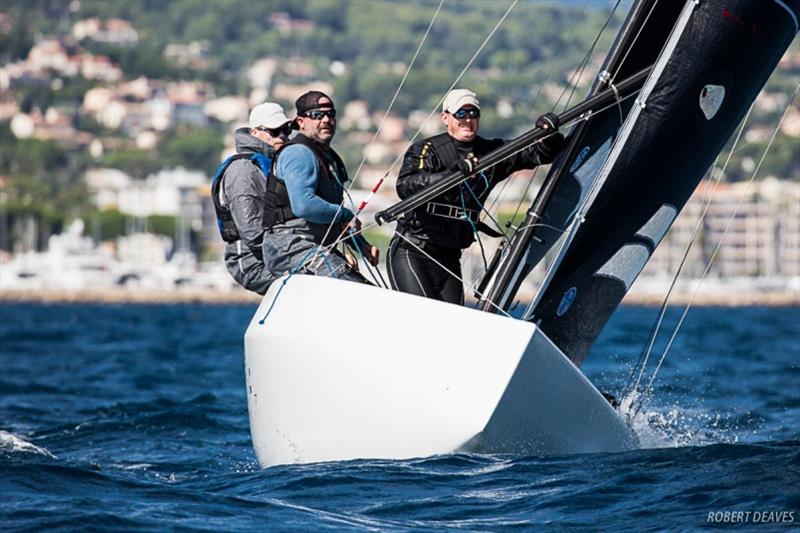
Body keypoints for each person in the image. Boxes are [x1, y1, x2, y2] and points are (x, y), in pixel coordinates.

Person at [387, 88, 565, 304]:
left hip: (451, 256)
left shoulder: (491, 151)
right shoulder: (427, 149)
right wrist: (452, 174)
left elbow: (536, 154)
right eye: (461, 114)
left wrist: (549, 135)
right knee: (426, 318)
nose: (468, 119)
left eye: (473, 113)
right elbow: (405, 185)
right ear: (446, 117)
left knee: (451, 327)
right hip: (413, 250)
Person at [262, 90, 379, 282]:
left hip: (317, 246)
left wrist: (361, 245)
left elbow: (335, 220)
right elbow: (304, 205)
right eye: (317, 115)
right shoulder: (298, 153)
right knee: (355, 290)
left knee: (364, 288)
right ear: (301, 121)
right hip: (291, 246)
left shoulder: (327, 156)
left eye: (330, 114)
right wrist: (347, 214)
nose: (325, 119)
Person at [212, 102, 293, 295]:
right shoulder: (243, 171)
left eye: (286, 130)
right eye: (275, 131)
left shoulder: (272, 165)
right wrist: (291, 258)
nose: (282, 136)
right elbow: (252, 232)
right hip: (251, 262)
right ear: (255, 133)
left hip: (273, 254)